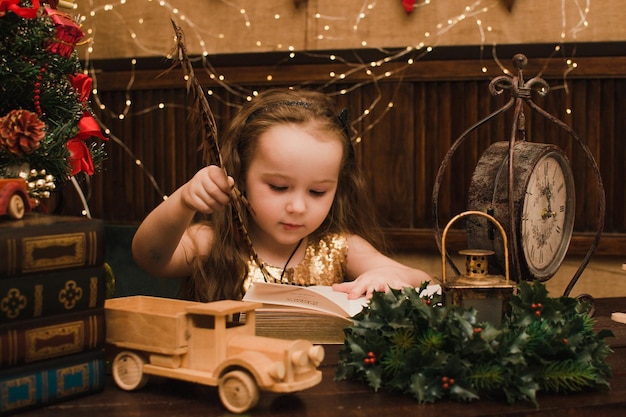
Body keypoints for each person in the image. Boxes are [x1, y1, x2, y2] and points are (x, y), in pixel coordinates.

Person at [132, 88, 431, 303]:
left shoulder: (341, 247)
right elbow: (150, 257)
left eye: (317, 191)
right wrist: (183, 201)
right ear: (242, 175)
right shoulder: (214, 241)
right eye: (278, 187)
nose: (298, 206)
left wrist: (390, 279)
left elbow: (428, 282)